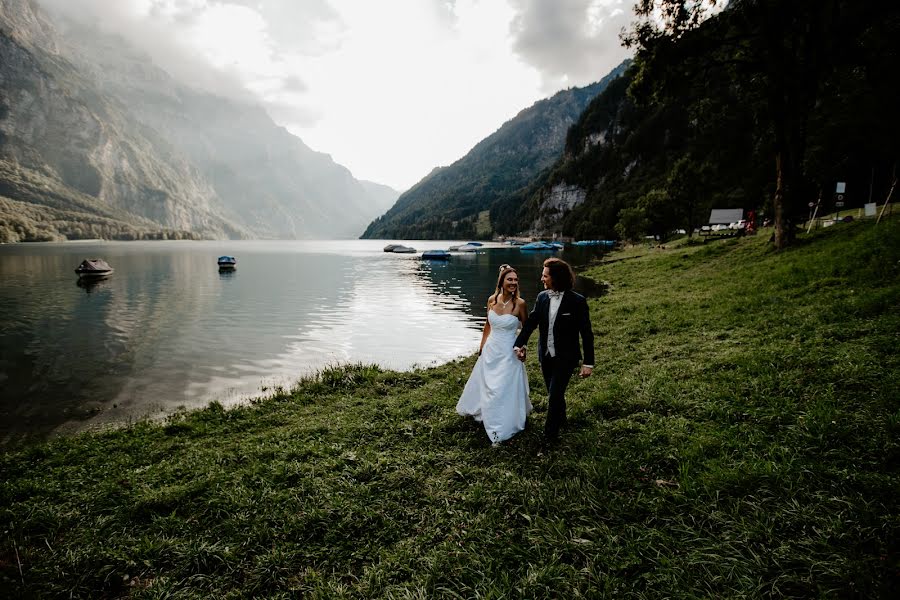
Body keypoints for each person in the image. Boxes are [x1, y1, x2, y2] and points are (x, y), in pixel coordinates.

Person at [514, 257, 594, 441]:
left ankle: (549, 439)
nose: (542, 279)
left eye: (545, 276)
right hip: (546, 356)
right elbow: (532, 322)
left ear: (556, 277)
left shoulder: (577, 301)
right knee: (554, 393)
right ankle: (562, 420)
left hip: (566, 358)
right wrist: (520, 344)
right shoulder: (542, 297)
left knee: (554, 395)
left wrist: (588, 363)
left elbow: (587, 334)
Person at [456, 264, 532, 445]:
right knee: (488, 385)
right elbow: (488, 325)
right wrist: (482, 348)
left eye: (515, 280)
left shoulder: (520, 304)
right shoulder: (492, 300)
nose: (513, 283)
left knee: (501, 387)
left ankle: (502, 422)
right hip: (491, 350)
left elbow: (526, 329)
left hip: (509, 351)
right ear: (502, 281)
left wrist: (523, 348)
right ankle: (487, 411)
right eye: (510, 279)